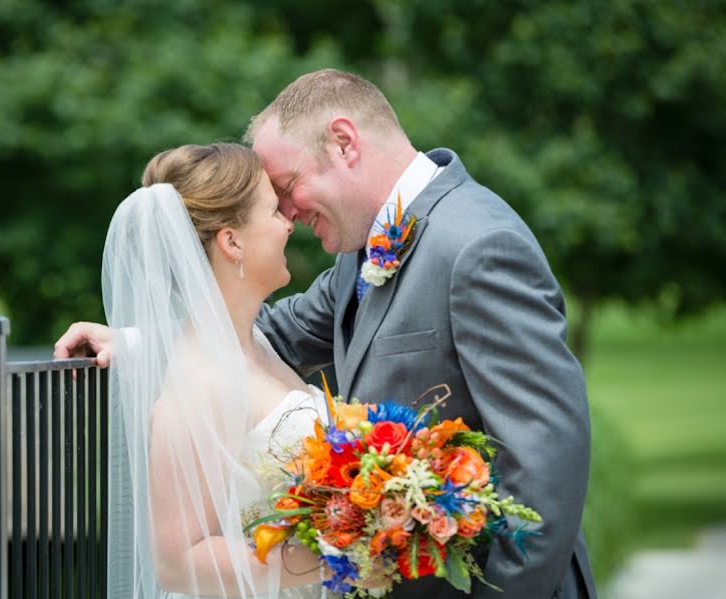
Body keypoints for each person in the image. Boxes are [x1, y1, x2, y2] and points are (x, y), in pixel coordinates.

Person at [57, 69, 596, 599]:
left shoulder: (477, 246)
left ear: (343, 143)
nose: (288, 212)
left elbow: (546, 466)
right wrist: (134, 343)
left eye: (287, 188)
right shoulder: (360, 254)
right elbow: (257, 331)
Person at [102, 143, 332, 598]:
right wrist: (332, 554)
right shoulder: (201, 380)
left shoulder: (255, 345)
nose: (289, 223)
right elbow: (176, 562)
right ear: (232, 241)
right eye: (272, 211)